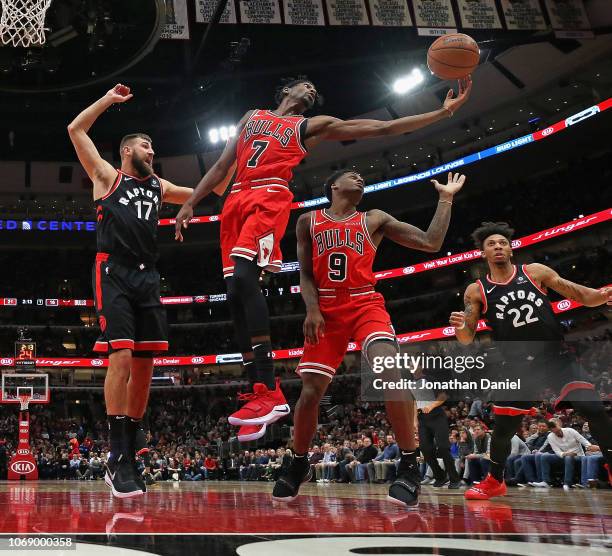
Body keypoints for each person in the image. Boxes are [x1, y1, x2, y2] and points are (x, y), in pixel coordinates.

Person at [174, 76, 472, 442]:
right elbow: (222, 166)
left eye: (316, 89)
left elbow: (383, 127)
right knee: (234, 293)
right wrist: (191, 201)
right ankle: (258, 390)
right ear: (285, 90)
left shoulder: (310, 126)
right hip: (234, 200)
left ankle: (269, 388)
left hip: (268, 196)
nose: (313, 91)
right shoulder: (251, 117)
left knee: (245, 280)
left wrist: (442, 112)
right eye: (306, 86)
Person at [272, 169, 466, 507]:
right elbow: (305, 273)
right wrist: (312, 309)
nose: (360, 179)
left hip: (365, 303)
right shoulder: (308, 221)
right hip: (327, 310)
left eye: (362, 177)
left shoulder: (374, 218)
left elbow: (431, 242)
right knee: (309, 393)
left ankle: (408, 465)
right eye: (352, 175)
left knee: (390, 373)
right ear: (333, 186)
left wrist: (445, 198)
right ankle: (300, 460)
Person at [67, 84, 195, 498]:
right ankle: (116, 452)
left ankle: (127, 457)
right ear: (126, 152)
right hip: (114, 272)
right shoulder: (107, 175)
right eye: (145, 145)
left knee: (145, 366)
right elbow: (75, 129)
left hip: (148, 276)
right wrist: (108, 101)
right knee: (120, 354)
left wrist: (236, 168)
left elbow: (201, 193)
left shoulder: (159, 187)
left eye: (153, 147)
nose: (152, 151)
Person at [449, 221, 612, 500]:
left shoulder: (535, 272)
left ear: (510, 249)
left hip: (556, 357)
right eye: (491, 244)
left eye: (502, 242)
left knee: (593, 408)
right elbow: (466, 337)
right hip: (518, 366)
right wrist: (460, 326)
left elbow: (578, 293)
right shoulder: (476, 291)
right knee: (503, 431)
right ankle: (495, 480)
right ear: (483, 253)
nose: (498, 246)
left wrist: (602, 296)